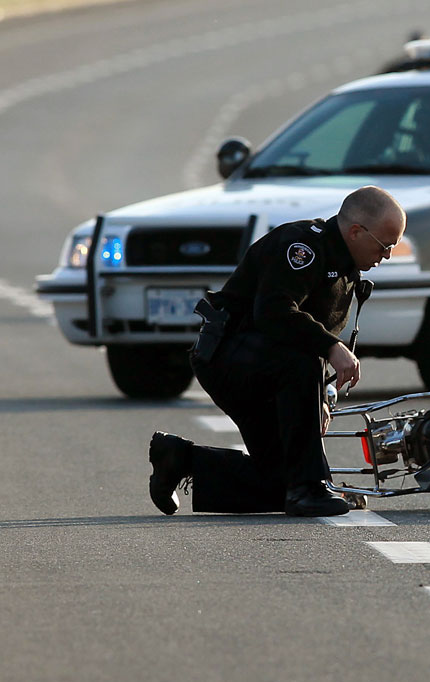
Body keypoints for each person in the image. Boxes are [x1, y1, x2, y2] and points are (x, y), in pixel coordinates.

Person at [148, 185, 406, 517]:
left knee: (277, 481)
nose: (386, 255)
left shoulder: (345, 264)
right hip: (231, 358)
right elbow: (273, 313)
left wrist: (320, 394)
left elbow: (306, 333)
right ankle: (309, 489)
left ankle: (180, 459)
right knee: (300, 362)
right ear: (356, 231)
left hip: (268, 365)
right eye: (385, 245)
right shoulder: (303, 248)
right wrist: (331, 347)